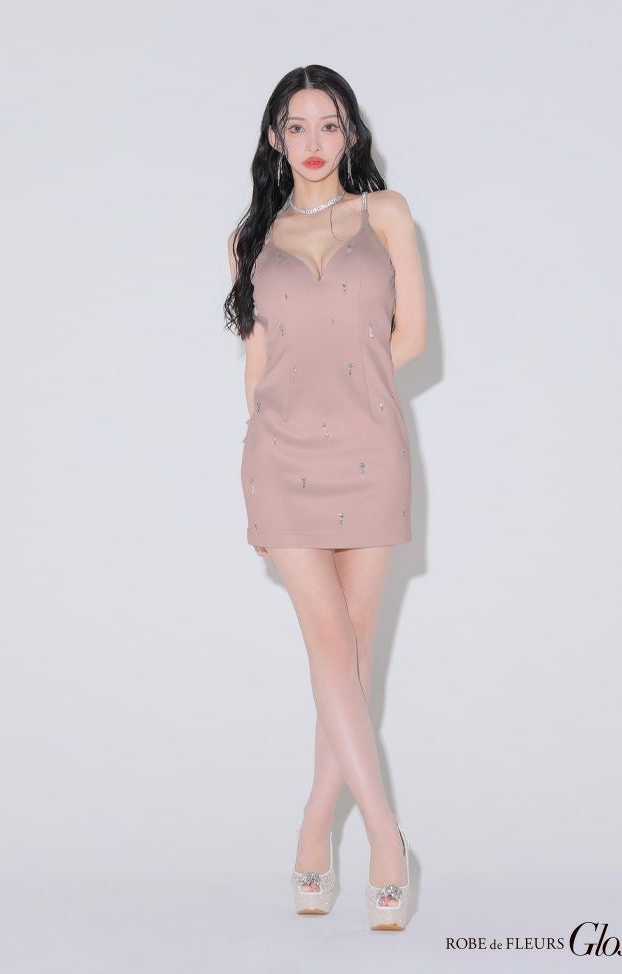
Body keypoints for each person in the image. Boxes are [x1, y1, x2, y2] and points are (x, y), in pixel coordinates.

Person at [224, 64, 426, 930]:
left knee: (353, 656)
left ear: (351, 134)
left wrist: (346, 386)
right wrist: (256, 454)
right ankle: (384, 837)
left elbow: (411, 336)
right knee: (328, 647)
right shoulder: (251, 239)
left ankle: (314, 826)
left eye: (330, 125)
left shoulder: (387, 215)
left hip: (370, 454)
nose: (314, 142)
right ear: (275, 137)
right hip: (282, 460)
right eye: (298, 126)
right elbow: (258, 364)